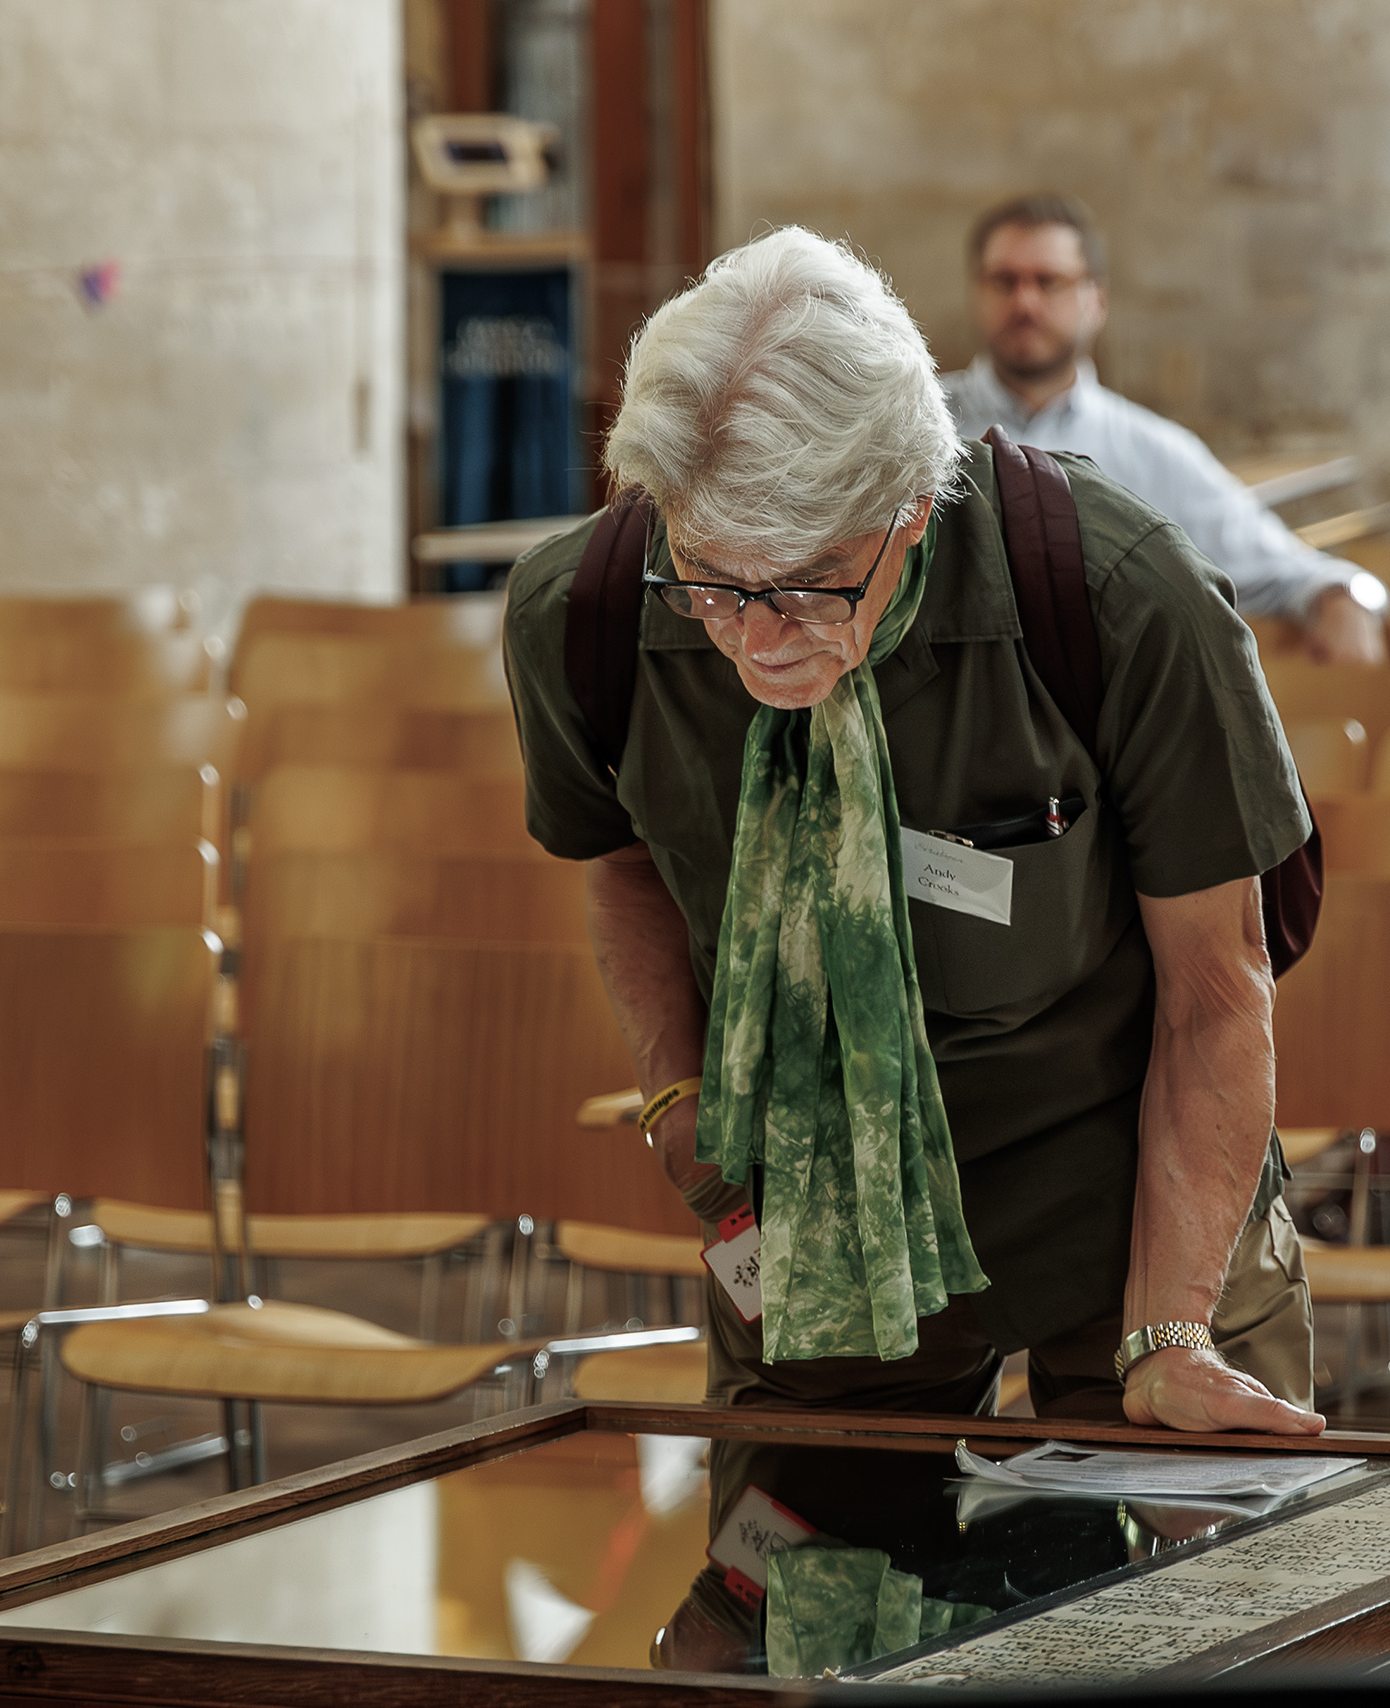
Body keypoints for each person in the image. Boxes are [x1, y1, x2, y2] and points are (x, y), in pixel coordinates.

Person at [505, 226, 1325, 1435]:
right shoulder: (583, 615)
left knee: (1183, 1609)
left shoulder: (1115, 593)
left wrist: (1173, 1328)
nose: (761, 637)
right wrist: (680, 1100)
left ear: (913, 506)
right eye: (718, 584)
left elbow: (1218, 990)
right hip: (815, 1209)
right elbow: (626, 858)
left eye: (811, 582)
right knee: (812, 1597)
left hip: (1133, 1191)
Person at [942, 193, 1388, 666]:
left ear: (1096, 301)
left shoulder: (1152, 451)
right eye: (1005, 281)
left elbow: (1292, 569)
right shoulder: (912, 423)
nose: (1024, 302)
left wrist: (1343, 598)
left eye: (1048, 282)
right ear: (977, 291)